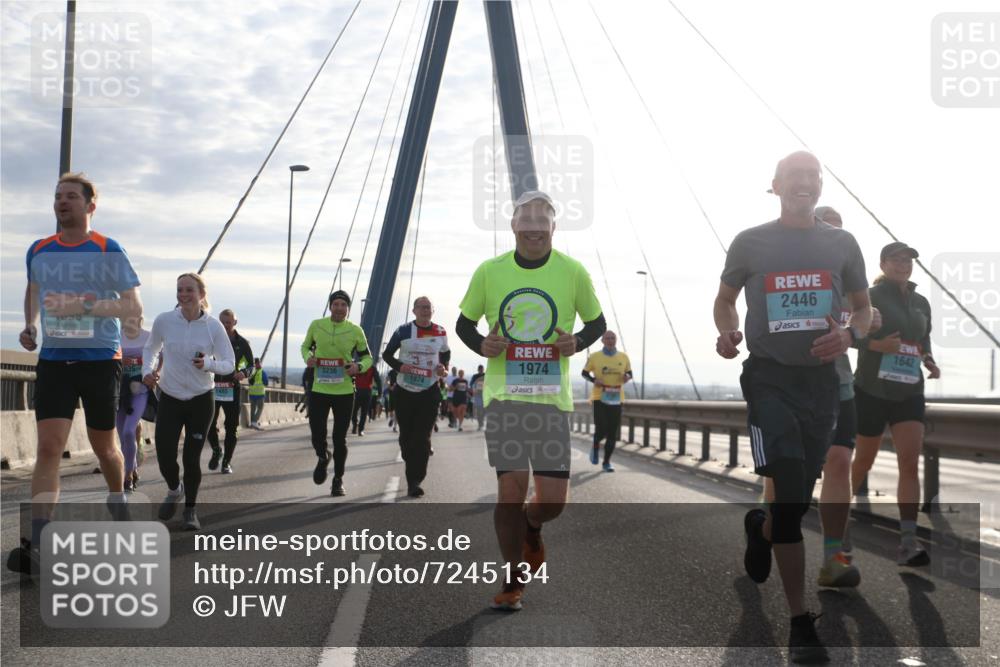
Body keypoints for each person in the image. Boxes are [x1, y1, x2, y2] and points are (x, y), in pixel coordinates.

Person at [714, 151, 871, 664]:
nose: (804, 183)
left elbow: (865, 308)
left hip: (822, 386)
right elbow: (725, 297)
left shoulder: (842, 243)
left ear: (820, 185)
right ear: (775, 185)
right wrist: (727, 330)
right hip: (768, 379)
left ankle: (760, 529)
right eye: (794, 176)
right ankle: (801, 619)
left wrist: (849, 333)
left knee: (794, 503)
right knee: (786, 477)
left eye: (812, 176)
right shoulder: (750, 241)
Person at [457, 190, 606, 611]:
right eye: (527, 218)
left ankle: (532, 524)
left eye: (544, 219)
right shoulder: (490, 271)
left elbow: (597, 321)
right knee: (510, 489)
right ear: (514, 226)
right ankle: (513, 577)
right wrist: (481, 344)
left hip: (550, 401)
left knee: (553, 502)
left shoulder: (572, 272)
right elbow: (464, 323)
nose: (535, 226)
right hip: (505, 398)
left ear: (554, 227)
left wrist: (576, 341)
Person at [8, 173, 143, 575]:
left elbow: (132, 307)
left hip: (101, 358)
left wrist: (81, 306)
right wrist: (30, 325)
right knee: (49, 448)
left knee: (105, 448)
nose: (61, 202)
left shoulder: (108, 249)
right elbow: (34, 289)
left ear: (90, 206)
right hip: (54, 360)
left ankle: (117, 496)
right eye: (57, 196)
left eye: (70, 196)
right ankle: (36, 540)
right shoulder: (39, 250)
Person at [850, 241, 940, 567]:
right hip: (872, 390)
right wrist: (878, 345)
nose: (904, 265)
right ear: (884, 263)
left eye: (908, 260)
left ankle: (907, 541)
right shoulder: (869, 298)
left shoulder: (921, 302)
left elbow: (922, 339)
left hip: (909, 391)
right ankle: (840, 513)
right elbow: (851, 337)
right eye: (897, 260)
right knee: (864, 461)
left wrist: (929, 360)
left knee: (908, 463)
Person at [144, 272, 234, 531]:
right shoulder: (164, 321)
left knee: (191, 459)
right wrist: (146, 371)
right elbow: (151, 348)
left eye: (189, 290)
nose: (183, 295)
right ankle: (174, 490)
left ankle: (191, 510)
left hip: (200, 399)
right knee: (164, 456)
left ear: (201, 295)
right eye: (180, 290)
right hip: (170, 396)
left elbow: (228, 364)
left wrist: (208, 364)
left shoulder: (213, 326)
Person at [301, 290, 373, 497]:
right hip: (319, 389)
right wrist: (308, 358)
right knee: (317, 433)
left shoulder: (355, 330)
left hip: (344, 391)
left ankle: (338, 480)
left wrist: (358, 367)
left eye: (344, 305)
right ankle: (323, 456)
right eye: (336, 304)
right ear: (330, 306)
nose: (340, 308)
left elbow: (368, 357)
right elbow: (305, 347)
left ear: (348, 309)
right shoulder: (317, 325)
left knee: (339, 438)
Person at [382, 296, 450, 497]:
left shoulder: (440, 331)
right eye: (421, 307)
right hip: (404, 390)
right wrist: (400, 366)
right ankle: (409, 456)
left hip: (429, 391)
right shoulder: (403, 331)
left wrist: (442, 367)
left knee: (422, 438)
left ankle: (415, 480)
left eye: (428, 307)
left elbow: (445, 353)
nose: (425, 310)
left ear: (432, 310)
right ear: (414, 311)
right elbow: (387, 355)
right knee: (407, 437)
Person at [206, 309, 254, 474]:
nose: (225, 325)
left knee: (231, 427)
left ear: (235, 323)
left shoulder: (242, 342)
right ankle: (216, 450)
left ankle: (226, 462)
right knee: (208, 424)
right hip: (211, 388)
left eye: (228, 322)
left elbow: (251, 365)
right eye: (222, 322)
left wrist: (244, 373)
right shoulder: (211, 338)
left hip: (231, 389)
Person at [581, 330, 633, 472]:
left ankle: (607, 462)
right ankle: (596, 444)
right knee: (602, 427)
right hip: (599, 397)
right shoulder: (595, 357)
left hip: (617, 398)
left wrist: (627, 377)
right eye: (608, 338)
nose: (610, 340)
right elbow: (584, 373)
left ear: (616, 340)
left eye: (613, 338)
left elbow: (630, 373)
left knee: (612, 432)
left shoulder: (623, 357)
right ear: (602, 341)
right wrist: (594, 380)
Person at [118, 315, 156, 492]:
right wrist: (119, 361)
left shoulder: (149, 336)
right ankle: (132, 469)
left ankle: (127, 476)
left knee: (128, 431)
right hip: (119, 390)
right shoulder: (115, 336)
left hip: (140, 389)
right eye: (127, 318)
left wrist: (156, 374)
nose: (130, 321)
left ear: (140, 319)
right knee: (122, 436)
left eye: (134, 318)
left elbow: (162, 355)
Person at [351, 364, 382, 436]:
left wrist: (380, 392)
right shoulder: (357, 365)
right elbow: (378, 381)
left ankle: (359, 429)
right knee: (356, 411)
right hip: (359, 391)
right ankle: (357, 427)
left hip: (365, 392)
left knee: (361, 412)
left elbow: (378, 380)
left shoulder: (372, 368)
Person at [248, 358, 268, 428]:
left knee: (252, 409)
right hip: (260, 394)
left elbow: (249, 381)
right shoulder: (262, 372)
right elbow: (266, 382)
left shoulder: (251, 372)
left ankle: (252, 423)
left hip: (251, 393)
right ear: (259, 363)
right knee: (260, 408)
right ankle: (254, 422)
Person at [469, 364, 486, 430]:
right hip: (478, 395)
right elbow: (471, 384)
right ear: (478, 369)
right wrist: (473, 389)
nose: (481, 370)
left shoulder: (486, 375)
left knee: (484, 410)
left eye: (482, 369)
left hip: (485, 395)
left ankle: (482, 421)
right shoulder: (475, 376)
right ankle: (480, 424)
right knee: (479, 409)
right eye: (480, 369)